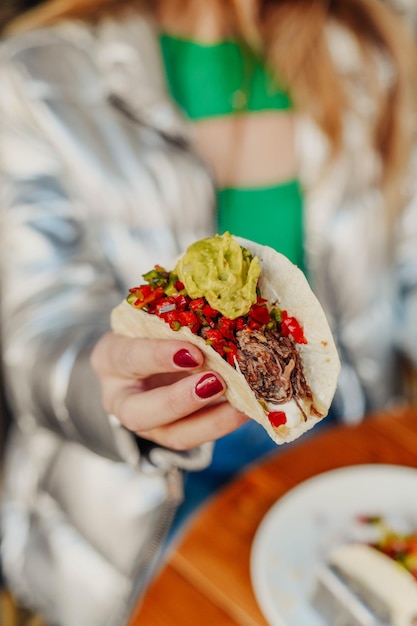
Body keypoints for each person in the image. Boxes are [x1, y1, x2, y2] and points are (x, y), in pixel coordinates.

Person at [1, 1, 417, 625]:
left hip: (336, 455)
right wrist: (110, 386)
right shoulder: (37, 77)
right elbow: (36, 335)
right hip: (132, 507)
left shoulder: (373, 52)